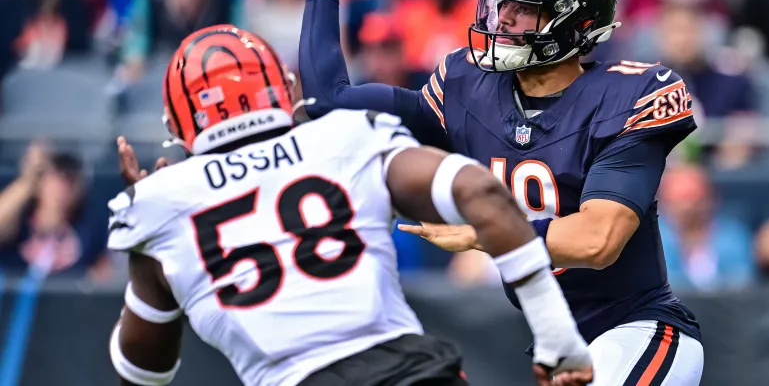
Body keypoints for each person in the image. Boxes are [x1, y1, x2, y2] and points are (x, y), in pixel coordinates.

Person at [299, 0, 704, 385]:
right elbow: (328, 105)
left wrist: (481, 233)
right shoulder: (464, 83)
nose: (503, 20)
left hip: (638, 329)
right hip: (555, 343)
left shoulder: (630, 92)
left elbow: (598, 241)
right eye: (499, 3)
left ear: (577, 21)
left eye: (523, 9)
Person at [105, 25, 593, 386]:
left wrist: (158, 228)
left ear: (177, 126)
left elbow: (140, 373)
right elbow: (483, 193)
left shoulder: (158, 205)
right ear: (286, 89)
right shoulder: (347, 138)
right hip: (412, 374)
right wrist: (557, 336)